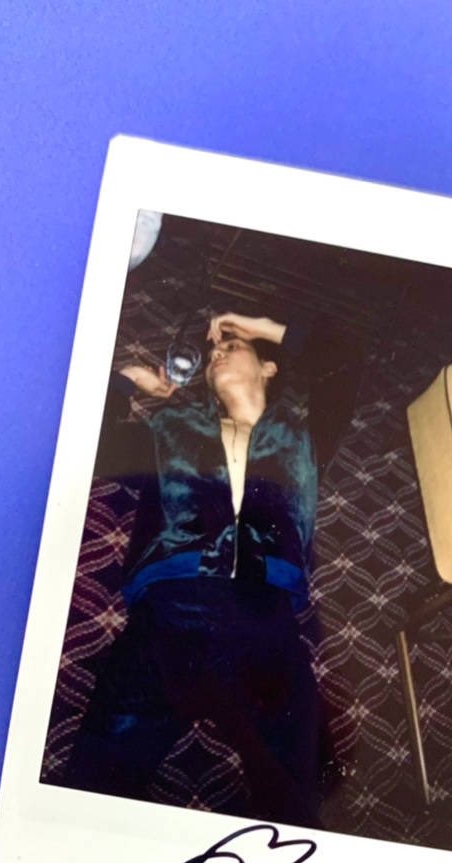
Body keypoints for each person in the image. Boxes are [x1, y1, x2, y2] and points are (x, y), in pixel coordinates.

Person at [63, 312, 364, 827]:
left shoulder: (304, 438)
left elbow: (347, 357)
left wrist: (260, 325)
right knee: (91, 791)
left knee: (300, 799)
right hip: (167, 617)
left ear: (269, 368)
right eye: (212, 356)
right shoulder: (168, 429)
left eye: (233, 347)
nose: (217, 352)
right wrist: (129, 381)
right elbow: (85, 440)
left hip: (267, 623)